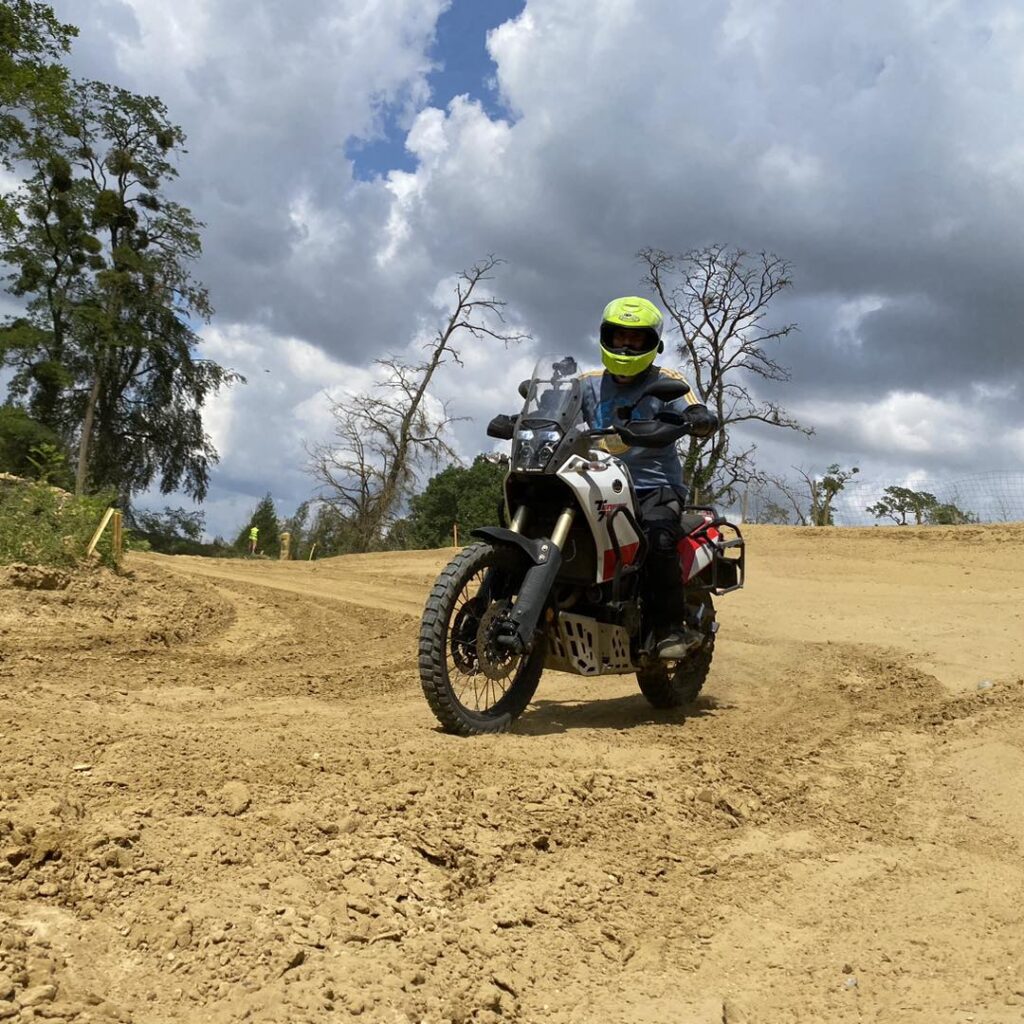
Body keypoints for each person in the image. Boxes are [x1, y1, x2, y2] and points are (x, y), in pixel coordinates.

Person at [579, 296, 718, 659]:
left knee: (657, 540)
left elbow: (693, 406)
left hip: (654, 486)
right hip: (598, 484)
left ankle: (671, 628)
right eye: (619, 336)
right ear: (605, 337)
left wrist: (699, 418)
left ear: (653, 344)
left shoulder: (668, 380)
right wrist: (520, 419)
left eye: (636, 339)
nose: (626, 345)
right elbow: (554, 406)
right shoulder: (587, 383)